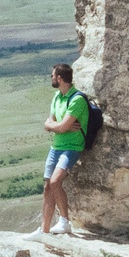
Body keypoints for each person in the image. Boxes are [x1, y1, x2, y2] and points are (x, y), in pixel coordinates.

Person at [40, 62, 87, 236]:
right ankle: (44, 230)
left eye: (52, 76)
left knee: (55, 181)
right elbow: (51, 124)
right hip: (56, 146)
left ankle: (64, 221)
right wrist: (57, 125)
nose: (52, 78)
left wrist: (55, 126)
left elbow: (57, 126)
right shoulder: (57, 97)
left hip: (72, 147)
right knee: (47, 186)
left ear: (59, 78)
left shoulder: (77, 99)